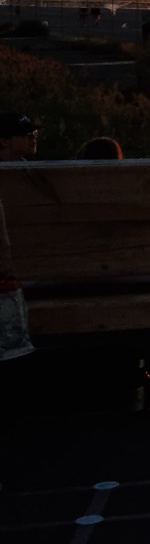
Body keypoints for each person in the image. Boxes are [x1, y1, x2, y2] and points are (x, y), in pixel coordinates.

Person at [0, 116, 38, 361]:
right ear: (3, 141)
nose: (33, 136)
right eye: (25, 134)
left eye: (33, 132)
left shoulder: (31, 173)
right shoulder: (32, 176)